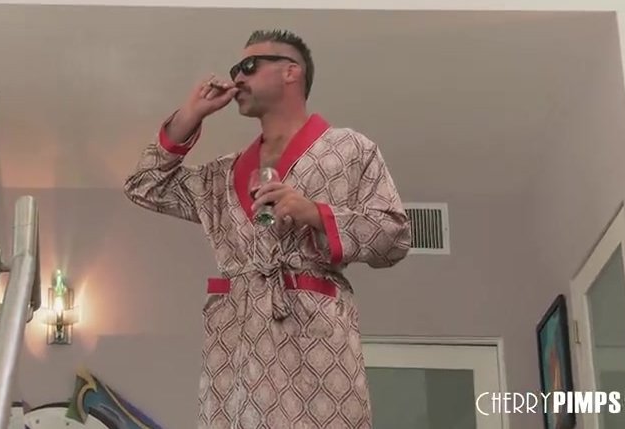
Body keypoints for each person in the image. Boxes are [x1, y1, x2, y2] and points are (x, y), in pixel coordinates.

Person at [124, 29, 412, 429]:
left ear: (291, 71)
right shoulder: (221, 175)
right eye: (234, 70)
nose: (237, 78)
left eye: (248, 66)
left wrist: (315, 213)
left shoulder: (351, 150)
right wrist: (190, 115)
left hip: (315, 349)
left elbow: (394, 236)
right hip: (235, 350)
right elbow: (144, 186)